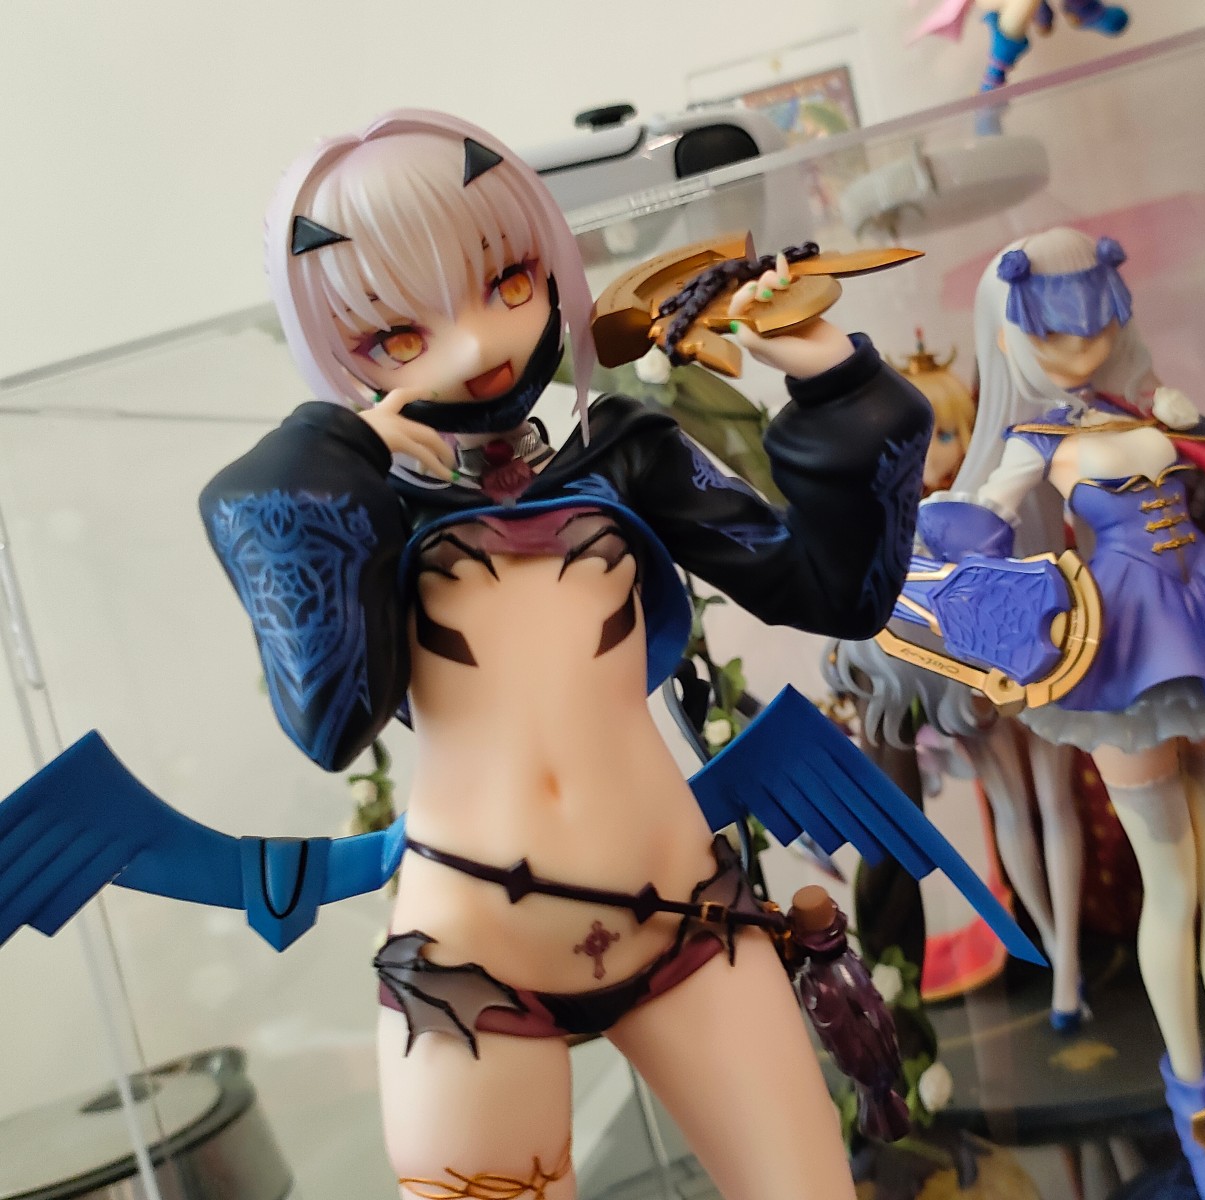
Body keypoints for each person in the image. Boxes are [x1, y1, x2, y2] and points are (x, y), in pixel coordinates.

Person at [211, 108, 933, 1200]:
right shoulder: (362, 506)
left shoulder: (622, 453)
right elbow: (328, 722)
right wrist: (329, 449)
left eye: (507, 280)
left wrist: (837, 388)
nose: (476, 345)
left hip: (683, 915)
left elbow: (832, 590)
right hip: (468, 962)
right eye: (397, 335)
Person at [919, 226, 1205, 1200]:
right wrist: (943, 559)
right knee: (1171, 891)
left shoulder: (1158, 408)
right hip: (1122, 654)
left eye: (1095, 324)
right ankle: (1201, 1122)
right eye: (1054, 333)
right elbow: (974, 527)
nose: (1080, 346)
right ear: (1013, 333)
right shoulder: (1034, 441)